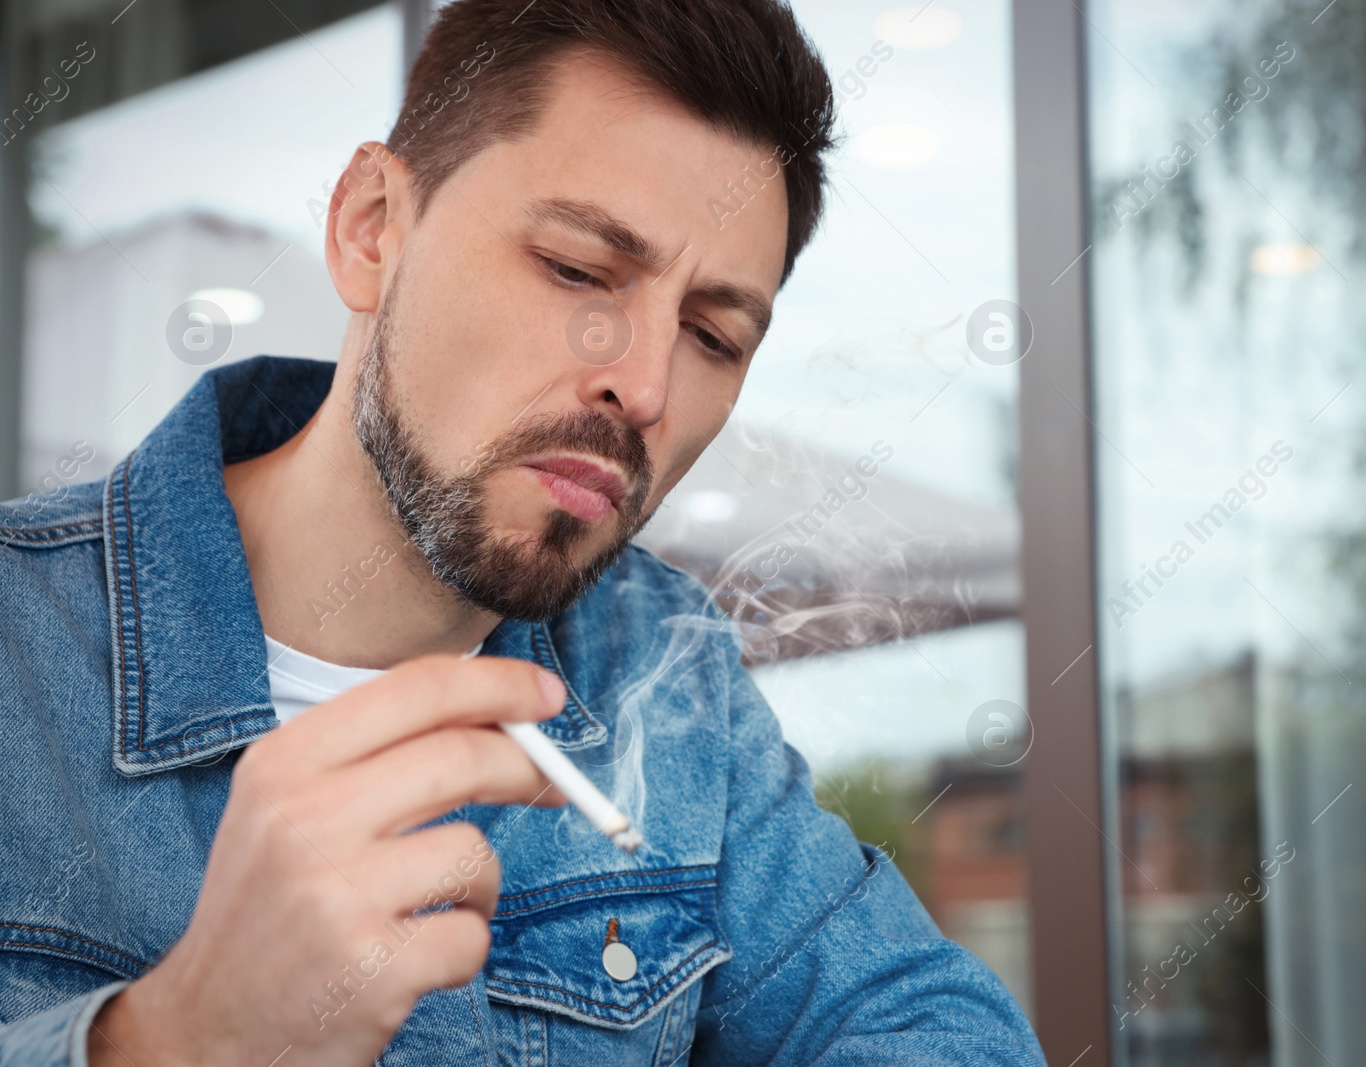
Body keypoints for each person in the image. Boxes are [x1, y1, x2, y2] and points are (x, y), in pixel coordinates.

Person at [0, 0, 1045, 1063]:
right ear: (371, 227)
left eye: (711, 333)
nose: (641, 385)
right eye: (577, 269)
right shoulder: (19, 646)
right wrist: (168, 1040)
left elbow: (940, 1031)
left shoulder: (656, 663)